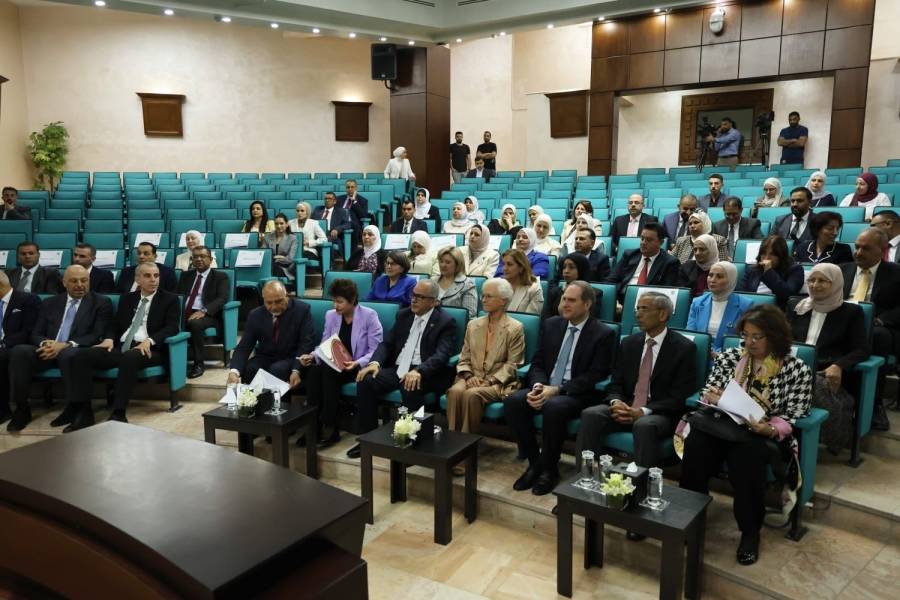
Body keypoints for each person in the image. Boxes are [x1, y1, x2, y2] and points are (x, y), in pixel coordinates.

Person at [680, 305, 812, 566]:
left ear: (774, 336)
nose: (749, 342)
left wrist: (770, 429)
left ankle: (750, 532)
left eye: (756, 336)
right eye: (746, 336)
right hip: (722, 424)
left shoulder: (796, 369)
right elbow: (709, 389)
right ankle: (690, 517)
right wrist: (714, 396)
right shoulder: (730, 357)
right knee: (695, 444)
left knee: (747, 458)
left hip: (761, 433)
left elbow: (796, 413)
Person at [577, 292, 696, 516]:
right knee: (592, 414)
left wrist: (642, 411)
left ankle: (640, 500)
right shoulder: (630, 343)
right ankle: (584, 486)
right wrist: (616, 402)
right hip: (626, 405)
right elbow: (615, 383)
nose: (638, 314)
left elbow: (679, 397)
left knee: (644, 425)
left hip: (659, 413)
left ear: (663, 314)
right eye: (637, 309)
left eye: (644, 309)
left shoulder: (683, 348)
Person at [506, 282, 615, 495]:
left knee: (554, 406)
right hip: (546, 386)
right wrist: (538, 385)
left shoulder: (602, 333)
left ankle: (549, 469)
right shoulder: (551, 324)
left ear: (587, 304)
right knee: (513, 401)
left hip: (577, 393)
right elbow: (538, 362)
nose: (565, 304)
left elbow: (596, 375)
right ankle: (535, 462)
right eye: (564, 298)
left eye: (571, 300)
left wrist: (558, 390)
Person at [350, 280, 457, 458]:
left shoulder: (445, 322)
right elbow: (387, 344)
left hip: (425, 372)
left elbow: (442, 355)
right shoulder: (404, 315)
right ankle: (367, 438)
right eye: (413, 295)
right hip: (399, 367)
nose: (414, 300)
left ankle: (410, 442)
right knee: (366, 380)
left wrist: (419, 371)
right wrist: (375, 363)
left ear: (433, 301)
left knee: (410, 385)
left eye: (420, 297)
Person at [69, 262, 179, 424]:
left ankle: (119, 412)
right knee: (82, 355)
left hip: (150, 350)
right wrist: (108, 339)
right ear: (138, 279)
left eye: (156, 276)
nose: (153, 279)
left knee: (129, 357)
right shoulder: (127, 298)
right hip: (122, 346)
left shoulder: (170, 299)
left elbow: (172, 328)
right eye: (148, 276)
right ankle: (84, 413)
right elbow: (115, 324)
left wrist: (150, 340)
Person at [6, 265, 113, 432]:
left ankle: (77, 409)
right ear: (64, 283)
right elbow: (36, 333)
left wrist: (65, 345)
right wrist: (46, 344)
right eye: (74, 281)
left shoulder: (101, 302)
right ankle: (22, 409)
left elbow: (96, 335)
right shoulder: (50, 302)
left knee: (69, 354)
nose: (80, 285)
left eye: (84, 280)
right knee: (20, 351)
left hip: (75, 350)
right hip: (48, 351)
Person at [787, 264, 869, 452]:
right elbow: (784, 339)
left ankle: (820, 441)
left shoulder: (851, 312)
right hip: (794, 367)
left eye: (822, 281)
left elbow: (862, 349)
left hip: (824, 372)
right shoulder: (797, 306)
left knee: (813, 385)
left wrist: (838, 365)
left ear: (836, 283)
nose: (815, 285)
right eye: (811, 280)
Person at [300, 279, 383, 447]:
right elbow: (325, 344)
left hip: (357, 366)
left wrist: (357, 362)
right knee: (315, 371)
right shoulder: (331, 315)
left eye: (339, 301)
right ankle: (313, 425)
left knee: (327, 372)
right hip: (335, 364)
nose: (335, 305)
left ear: (352, 300)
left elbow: (376, 349)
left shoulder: (369, 315)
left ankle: (330, 427)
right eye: (334, 301)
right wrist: (312, 356)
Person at [839, 228, 900, 431]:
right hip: (842, 322)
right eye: (857, 247)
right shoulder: (842, 270)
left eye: (865, 248)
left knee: (879, 337)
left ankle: (874, 404)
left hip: (877, 325)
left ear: (882, 250)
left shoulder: (896, 273)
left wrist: (882, 320)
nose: (858, 252)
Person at [445, 278, 524, 433]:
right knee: (455, 392)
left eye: (489, 296)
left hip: (498, 382)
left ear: (503, 301)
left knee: (471, 394)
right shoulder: (473, 325)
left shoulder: (515, 328)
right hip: (472, 376)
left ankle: (466, 441)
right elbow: (464, 356)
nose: (483, 300)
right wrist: (469, 376)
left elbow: (513, 364)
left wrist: (489, 381)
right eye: (483, 296)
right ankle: (452, 438)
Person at [227, 280, 316, 388]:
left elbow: (306, 343)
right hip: (266, 356)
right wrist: (234, 371)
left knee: (277, 369)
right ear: (263, 300)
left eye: (278, 301)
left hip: (291, 357)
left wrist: (296, 370)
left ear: (286, 296)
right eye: (269, 303)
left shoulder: (302, 310)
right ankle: (253, 399)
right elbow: (244, 346)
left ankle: (276, 399)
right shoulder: (255, 315)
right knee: (250, 369)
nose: (274, 307)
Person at [175, 245, 230, 379]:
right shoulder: (185, 275)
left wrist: (204, 310)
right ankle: (168, 364)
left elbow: (222, 298)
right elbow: (178, 296)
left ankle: (199, 364)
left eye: (202, 256)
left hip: (209, 315)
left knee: (195, 323)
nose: (199, 259)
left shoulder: (220, 276)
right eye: (195, 257)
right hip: (185, 312)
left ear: (210, 259)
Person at [0, 272, 41, 426]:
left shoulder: (28, 300)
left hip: (16, 346)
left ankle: (6, 409)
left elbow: (30, 331)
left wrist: (3, 343)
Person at [687, 261, 754, 354]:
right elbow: (691, 334)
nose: (712, 280)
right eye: (710, 275)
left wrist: (718, 354)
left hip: (728, 356)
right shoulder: (697, 302)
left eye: (719, 276)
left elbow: (744, 340)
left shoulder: (745, 305)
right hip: (699, 353)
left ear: (731, 280)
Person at [604, 223, 679, 301]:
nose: (643, 242)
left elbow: (666, 293)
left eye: (649, 240)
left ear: (661, 242)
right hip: (622, 298)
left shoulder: (670, 263)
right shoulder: (629, 255)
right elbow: (610, 280)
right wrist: (616, 299)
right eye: (642, 238)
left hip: (649, 302)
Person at [738, 235, 804, 308]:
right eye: (763, 253)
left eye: (772, 254)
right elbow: (741, 295)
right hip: (751, 310)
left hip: (777, 311)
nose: (766, 258)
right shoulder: (752, 270)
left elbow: (787, 294)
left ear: (781, 255)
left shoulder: (795, 270)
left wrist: (768, 272)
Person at [543, 254, 605, 320]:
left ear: (581, 270)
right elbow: (545, 319)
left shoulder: (594, 294)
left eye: (571, 267)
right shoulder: (554, 292)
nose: (566, 271)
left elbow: (592, 321)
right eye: (564, 267)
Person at [432, 247, 477, 319]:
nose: (443, 265)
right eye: (441, 261)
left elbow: (469, 314)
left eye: (448, 262)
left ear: (457, 265)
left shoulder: (467, 284)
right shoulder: (432, 281)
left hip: (453, 323)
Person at [499, 249, 543, 314]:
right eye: (503, 264)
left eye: (509, 264)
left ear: (521, 267)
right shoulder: (498, 285)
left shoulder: (534, 289)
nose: (504, 268)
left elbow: (529, 319)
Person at [263, 213, 298, 281]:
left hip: (285, 268)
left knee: (271, 266)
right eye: (276, 224)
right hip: (270, 264)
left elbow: (290, 258)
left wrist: (275, 258)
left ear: (287, 224)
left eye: (281, 223)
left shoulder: (292, 238)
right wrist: (280, 257)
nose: (279, 226)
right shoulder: (267, 237)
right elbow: (264, 254)